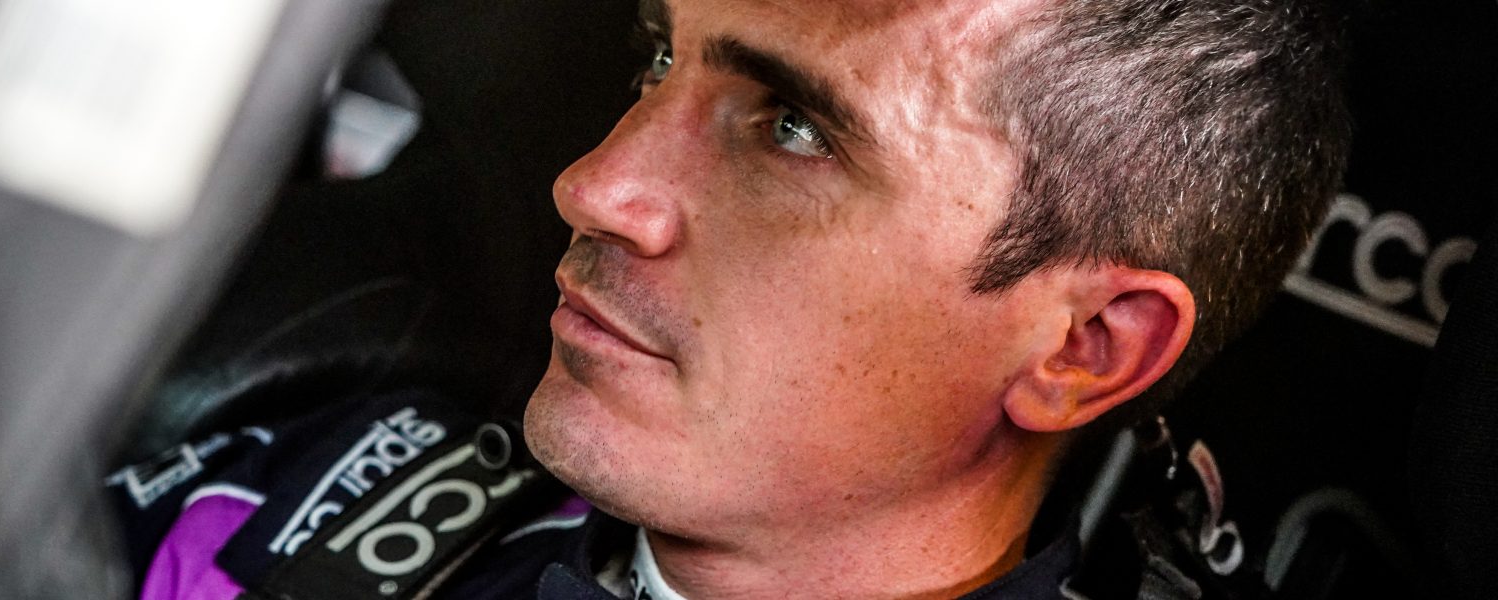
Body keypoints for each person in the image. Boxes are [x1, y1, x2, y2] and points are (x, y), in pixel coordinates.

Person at [107, 0, 1349, 597]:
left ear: (1083, 348)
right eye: (659, 58)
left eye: (795, 130)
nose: (597, 186)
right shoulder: (278, 514)